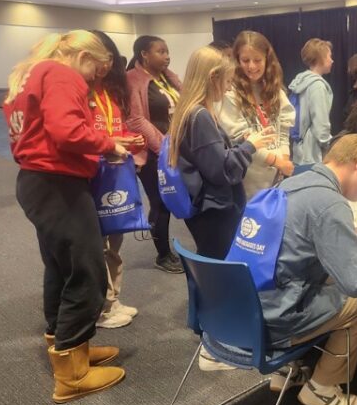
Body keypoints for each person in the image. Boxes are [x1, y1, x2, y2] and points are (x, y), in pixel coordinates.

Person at [5, 30, 127, 402]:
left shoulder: (32, 71)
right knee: (86, 270)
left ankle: (70, 344)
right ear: (84, 57)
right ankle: (71, 375)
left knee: (60, 267)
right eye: (96, 70)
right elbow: (66, 130)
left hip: (37, 182)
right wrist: (109, 145)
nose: (94, 79)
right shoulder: (61, 74)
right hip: (58, 184)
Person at [258, 134, 357, 405]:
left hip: (243, 310)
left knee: (323, 279)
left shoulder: (288, 184)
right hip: (276, 321)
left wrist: (345, 233)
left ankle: (284, 370)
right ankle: (322, 388)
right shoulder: (330, 202)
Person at [166, 46, 275, 260]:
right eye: (226, 82)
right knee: (220, 264)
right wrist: (249, 146)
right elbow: (221, 170)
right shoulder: (200, 116)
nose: (227, 89)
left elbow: (209, 157)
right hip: (215, 208)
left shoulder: (189, 111)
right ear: (213, 77)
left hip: (207, 207)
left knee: (213, 261)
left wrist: (238, 143)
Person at [90, 30, 145, 329]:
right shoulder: (81, 91)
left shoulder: (111, 92)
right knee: (97, 245)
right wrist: (113, 140)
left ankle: (114, 298)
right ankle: (103, 306)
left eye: (110, 57)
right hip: (91, 176)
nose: (105, 64)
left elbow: (111, 130)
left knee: (115, 241)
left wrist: (125, 139)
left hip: (116, 174)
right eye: (99, 58)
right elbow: (82, 136)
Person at [126, 35, 184, 274]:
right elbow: (136, 119)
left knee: (175, 199)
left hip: (174, 149)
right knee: (160, 203)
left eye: (167, 51)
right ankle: (162, 255)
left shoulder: (166, 78)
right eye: (160, 51)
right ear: (144, 55)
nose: (167, 55)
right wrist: (163, 149)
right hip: (152, 154)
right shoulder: (132, 80)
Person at [218, 31, 295, 198]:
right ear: (237, 61)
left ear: (267, 60)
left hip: (277, 175)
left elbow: (283, 132)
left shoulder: (275, 90)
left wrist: (284, 159)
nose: (251, 66)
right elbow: (242, 141)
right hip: (248, 181)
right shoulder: (231, 93)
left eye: (257, 60)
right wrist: (278, 162)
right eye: (245, 60)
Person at [289, 38, 334, 165]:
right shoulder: (317, 86)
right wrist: (328, 146)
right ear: (321, 58)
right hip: (313, 154)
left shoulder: (300, 81)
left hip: (299, 151)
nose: (332, 60)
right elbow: (321, 123)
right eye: (329, 56)